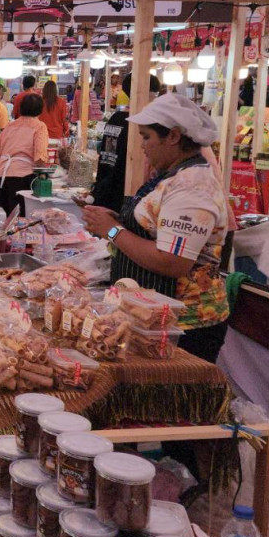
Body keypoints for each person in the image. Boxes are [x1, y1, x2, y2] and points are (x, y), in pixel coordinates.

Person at [81, 93, 230, 363]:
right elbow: (157, 228)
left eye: (147, 137)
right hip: (152, 315)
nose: (142, 146)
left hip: (185, 323)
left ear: (173, 136)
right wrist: (119, 221)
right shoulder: (172, 176)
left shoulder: (192, 187)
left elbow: (172, 261)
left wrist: (113, 231)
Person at [88, 73, 160, 213]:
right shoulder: (140, 124)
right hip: (126, 194)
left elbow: (105, 156)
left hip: (106, 191)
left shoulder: (115, 118)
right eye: (155, 94)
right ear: (147, 93)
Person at [0, 94, 49, 216]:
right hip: (23, 177)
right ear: (40, 110)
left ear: (21, 108)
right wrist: (44, 174)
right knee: (19, 219)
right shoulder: (40, 126)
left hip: (3, 175)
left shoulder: (10, 125)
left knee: (3, 218)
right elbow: (40, 156)